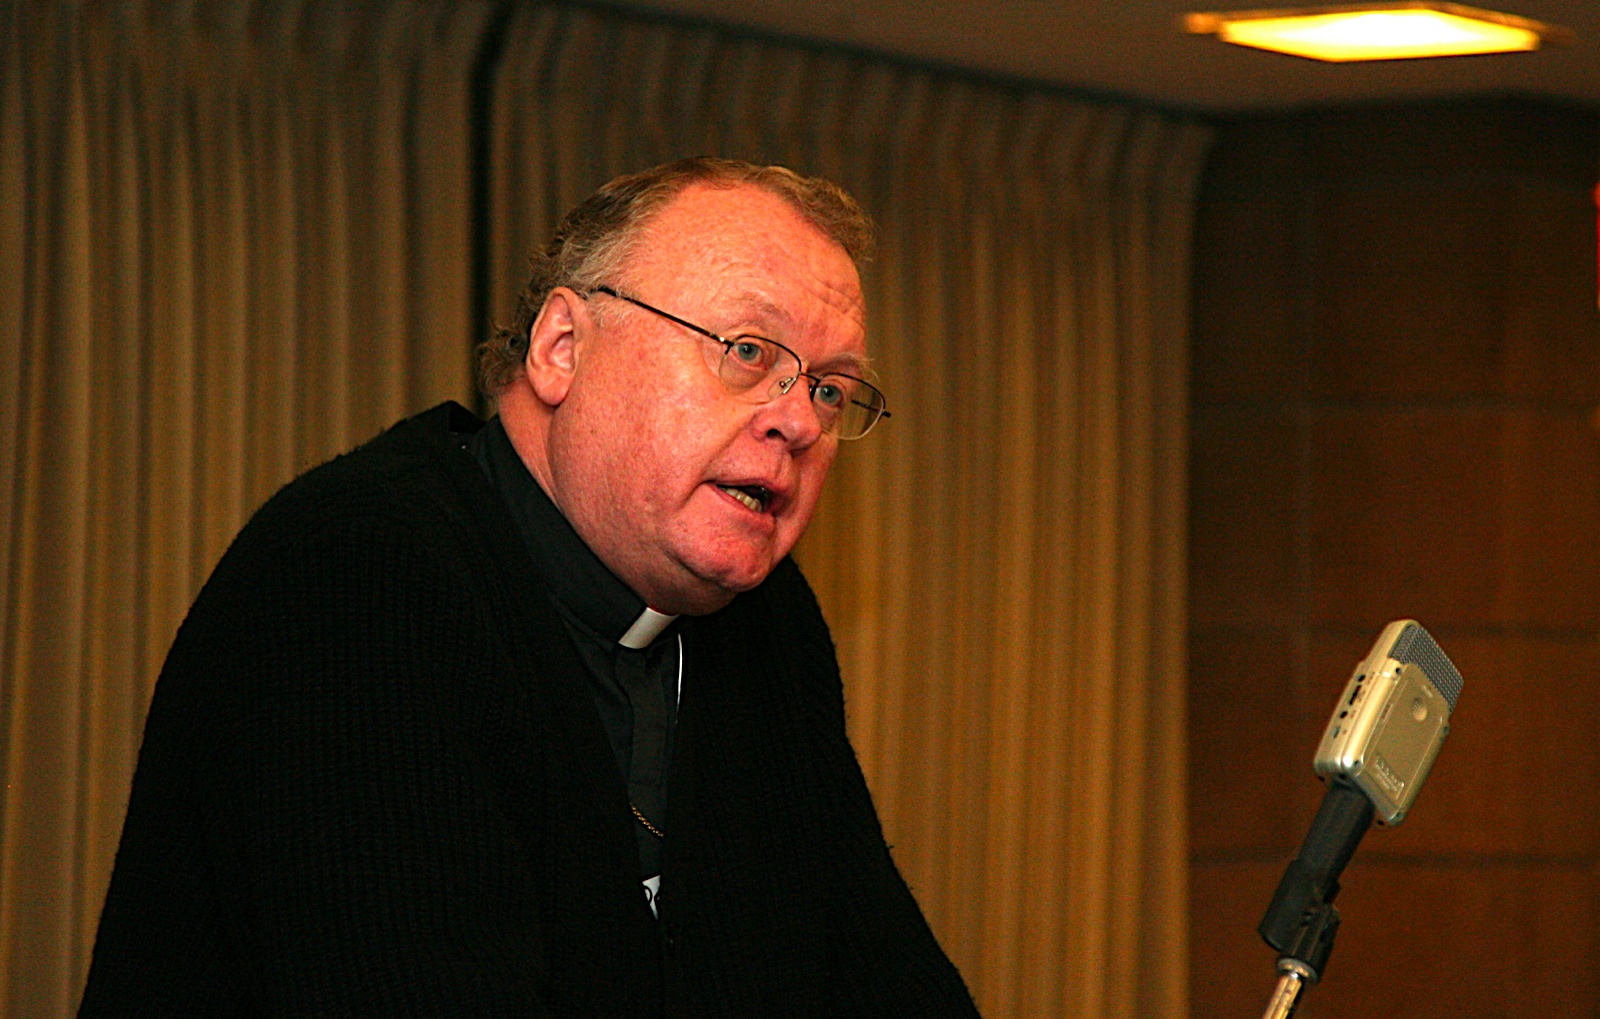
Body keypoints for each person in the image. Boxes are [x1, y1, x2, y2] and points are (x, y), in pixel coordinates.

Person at [79, 157, 980, 1017]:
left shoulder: (768, 622)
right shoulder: (357, 573)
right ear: (562, 348)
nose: (798, 421)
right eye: (747, 350)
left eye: (830, 391)